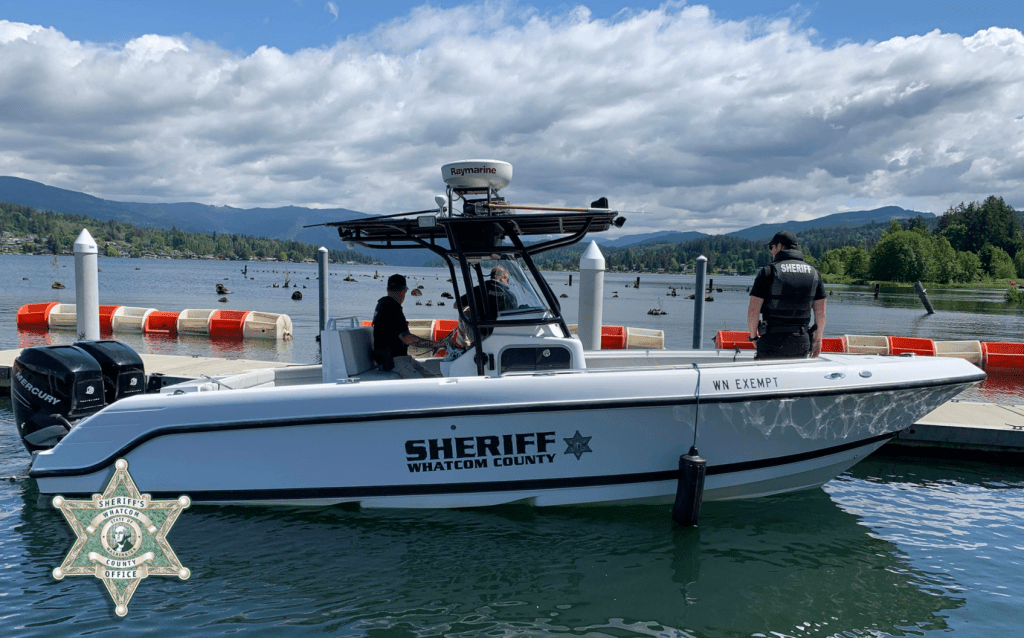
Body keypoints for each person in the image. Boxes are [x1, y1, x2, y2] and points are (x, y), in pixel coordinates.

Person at [747, 230, 827, 359]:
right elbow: (820, 312)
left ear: (779, 246)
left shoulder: (768, 272)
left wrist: (753, 337)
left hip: (772, 341)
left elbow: (753, 310)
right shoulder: (814, 273)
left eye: (771, 247)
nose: (771, 251)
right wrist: (818, 339)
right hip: (801, 341)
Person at [372, 274, 449, 377]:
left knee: (433, 379)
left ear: (387, 289)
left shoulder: (383, 305)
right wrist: (437, 344)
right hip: (393, 362)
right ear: (404, 290)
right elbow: (408, 339)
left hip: (396, 358)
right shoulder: (392, 308)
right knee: (427, 388)